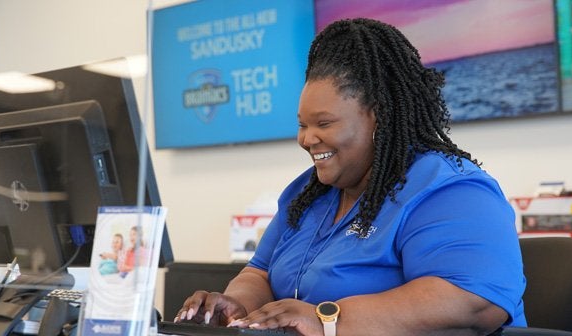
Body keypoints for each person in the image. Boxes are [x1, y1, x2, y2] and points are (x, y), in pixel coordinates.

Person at [175, 18, 526, 335]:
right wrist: (238, 307)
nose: (306, 139)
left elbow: (474, 301)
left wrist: (328, 319)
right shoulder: (308, 194)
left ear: (380, 118)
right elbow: (261, 273)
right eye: (302, 125)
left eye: (324, 123)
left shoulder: (451, 190)